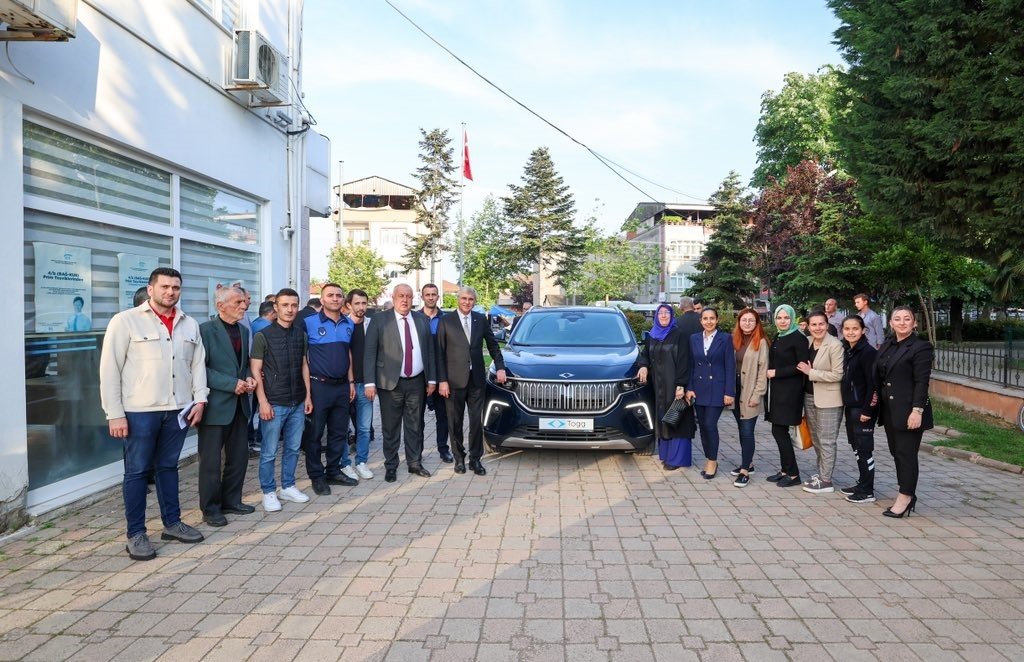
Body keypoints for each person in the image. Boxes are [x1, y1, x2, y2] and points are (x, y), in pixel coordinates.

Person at [99, 267, 208, 561]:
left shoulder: (189, 324)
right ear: (150, 289)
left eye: (175, 287)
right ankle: (136, 534)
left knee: (168, 468)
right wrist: (114, 413)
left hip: (178, 410)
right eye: (164, 287)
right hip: (139, 412)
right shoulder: (125, 322)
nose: (170, 292)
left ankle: (172, 524)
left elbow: (197, 365)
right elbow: (110, 369)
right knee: (136, 472)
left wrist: (200, 400)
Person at [363, 283, 436, 482]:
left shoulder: (421, 319)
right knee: (391, 426)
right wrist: (369, 383)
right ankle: (391, 465)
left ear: (413, 299)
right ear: (393, 298)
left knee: (415, 425)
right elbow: (369, 353)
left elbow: (429, 351)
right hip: (390, 383)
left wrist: (431, 379)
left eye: (409, 296)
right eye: (401, 296)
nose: (405, 300)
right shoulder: (379, 320)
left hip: (417, 383)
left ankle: (414, 463)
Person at [197, 286, 256, 527]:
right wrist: (232, 384)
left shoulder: (242, 330)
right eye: (238, 302)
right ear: (220, 306)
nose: (244, 306)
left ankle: (232, 500)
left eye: (244, 302)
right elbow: (200, 369)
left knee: (238, 458)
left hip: (240, 406)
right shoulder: (205, 331)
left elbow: (242, 365)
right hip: (216, 407)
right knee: (211, 463)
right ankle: (210, 509)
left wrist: (250, 377)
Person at [250, 288, 313, 512]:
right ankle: (268, 491)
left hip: (297, 402)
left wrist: (307, 396)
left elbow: (304, 365)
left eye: (294, 305)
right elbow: (256, 370)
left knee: (293, 448)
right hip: (274, 403)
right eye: (285, 305)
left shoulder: (300, 334)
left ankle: (288, 486)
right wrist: (263, 402)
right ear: (275, 307)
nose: (289, 309)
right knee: (268, 452)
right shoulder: (263, 336)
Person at [437, 286, 506, 476]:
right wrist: (442, 380)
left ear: (474, 301)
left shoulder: (479, 320)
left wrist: (500, 366)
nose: (467, 302)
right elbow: (439, 353)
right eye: (464, 298)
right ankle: (459, 458)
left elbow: (492, 344)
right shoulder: (446, 321)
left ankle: (475, 459)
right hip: (453, 382)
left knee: (476, 422)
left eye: (470, 299)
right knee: (455, 422)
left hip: (476, 381)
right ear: (458, 299)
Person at [872, 306, 934, 518]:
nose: (902, 322)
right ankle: (906, 490)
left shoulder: (921, 347)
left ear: (914, 323)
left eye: (907, 319)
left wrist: (917, 411)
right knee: (896, 452)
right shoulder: (888, 345)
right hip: (889, 410)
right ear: (890, 322)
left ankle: (905, 497)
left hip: (909, 411)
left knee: (906, 454)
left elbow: (921, 382)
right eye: (897, 319)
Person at [302, 283, 358, 496]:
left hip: (342, 386)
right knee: (315, 434)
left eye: (338, 295)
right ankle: (317, 476)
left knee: (338, 433)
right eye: (330, 295)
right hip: (319, 386)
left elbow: (348, 355)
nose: (335, 298)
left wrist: (351, 382)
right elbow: (303, 359)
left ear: (343, 300)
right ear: (322, 299)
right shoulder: (308, 323)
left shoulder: (348, 324)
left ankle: (333, 471)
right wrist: (307, 393)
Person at [638, 304, 696, 470]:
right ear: (656, 316)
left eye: (667, 313)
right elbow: (645, 355)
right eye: (660, 313)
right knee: (664, 418)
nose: (663, 316)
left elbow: (685, 361)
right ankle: (667, 455)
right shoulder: (652, 336)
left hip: (675, 385)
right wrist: (643, 365)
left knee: (677, 418)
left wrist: (681, 384)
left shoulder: (679, 335)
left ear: (672, 316)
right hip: (658, 387)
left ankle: (678, 458)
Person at [796, 311, 845, 494]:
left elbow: (838, 374)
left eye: (821, 324)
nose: (818, 328)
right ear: (808, 326)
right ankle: (821, 473)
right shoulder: (807, 342)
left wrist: (811, 372)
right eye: (814, 325)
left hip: (829, 400)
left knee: (827, 440)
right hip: (809, 397)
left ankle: (826, 480)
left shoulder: (835, 345)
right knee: (816, 439)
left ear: (827, 325)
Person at [686, 307, 736, 480]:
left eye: (712, 318)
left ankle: (712, 461)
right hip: (699, 389)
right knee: (703, 427)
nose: (708, 321)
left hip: (717, 388)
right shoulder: (693, 339)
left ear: (717, 320)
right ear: (700, 321)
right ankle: (709, 458)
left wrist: (729, 391)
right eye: (705, 318)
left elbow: (730, 366)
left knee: (709, 424)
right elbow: (691, 365)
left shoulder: (725, 338)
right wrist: (689, 388)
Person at [765, 304, 809, 488]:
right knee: (778, 431)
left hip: (790, 392)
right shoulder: (780, 335)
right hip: (777, 391)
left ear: (793, 319)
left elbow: (802, 366)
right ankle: (785, 470)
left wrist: (777, 373)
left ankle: (793, 474)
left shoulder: (798, 338)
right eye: (779, 318)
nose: (782, 321)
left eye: (786, 318)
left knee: (779, 431)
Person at [838, 314, 879, 504]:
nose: (851, 332)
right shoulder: (849, 350)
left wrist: (868, 411)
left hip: (862, 409)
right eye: (847, 329)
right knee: (856, 447)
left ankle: (867, 490)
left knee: (864, 449)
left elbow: (873, 385)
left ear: (863, 330)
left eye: (855, 328)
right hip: (851, 406)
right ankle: (862, 483)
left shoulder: (868, 352)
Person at [730, 308, 769, 487]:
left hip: (750, 392)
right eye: (744, 320)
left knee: (747, 431)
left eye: (751, 320)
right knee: (741, 429)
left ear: (756, 323)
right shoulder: (734, 340)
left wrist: (757, 394)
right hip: (735, 391)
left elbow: (763, 372)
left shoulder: (760, 342)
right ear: (739, 322)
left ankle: (745, 470)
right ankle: (749, 463)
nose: (747, 323)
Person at [419, 283, 452, 463]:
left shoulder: (446, 319)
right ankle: (418, 450)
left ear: (438, 297)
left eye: (434, 294)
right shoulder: (415, 318)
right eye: (427, 294)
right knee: (417, 418)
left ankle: (443, 449)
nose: (431, 297)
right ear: (422, 296)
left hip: (441, 375)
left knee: (443, 416)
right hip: (419, 376)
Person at [346, 288, 374, 479]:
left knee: (364, 428)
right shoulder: (341, 324)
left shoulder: (372, 325)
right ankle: (344, 463)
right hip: (344, 385)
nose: (361, 307)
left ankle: (362, 462)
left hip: (366, 384)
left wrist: (373, 382)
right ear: (349, 305)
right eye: (357, 303)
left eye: (364, 303)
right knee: (341, 427)